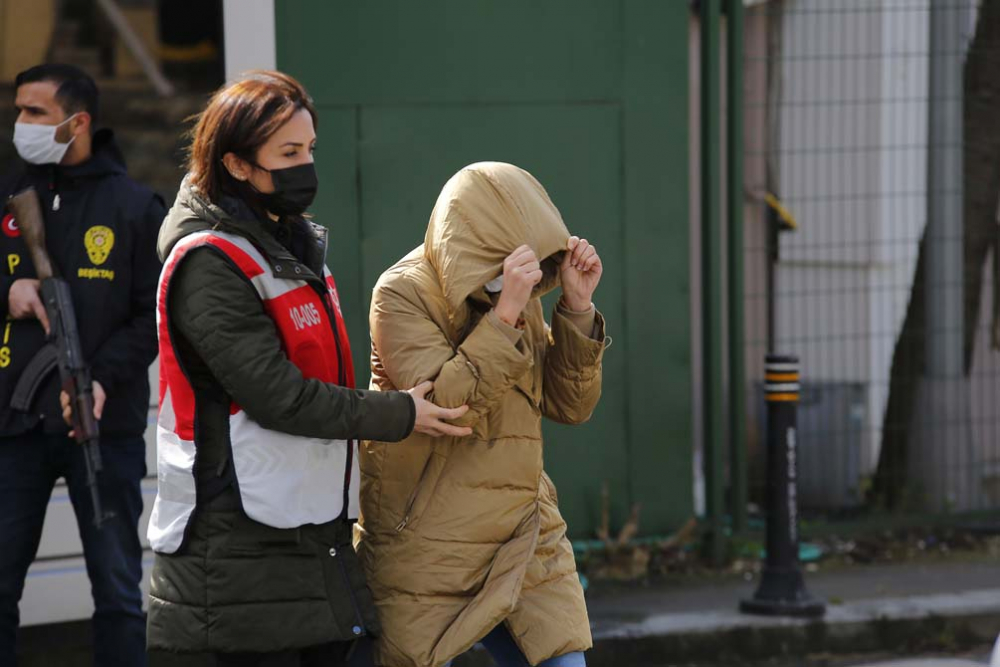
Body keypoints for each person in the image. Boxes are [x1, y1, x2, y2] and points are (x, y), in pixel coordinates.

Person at [144, 71, 471, 667]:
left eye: (310, 149)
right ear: (238, 165)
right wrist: (400, 414)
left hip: (301, 533)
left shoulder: (285, 246)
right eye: (289, 153)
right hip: (235, 540)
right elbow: (279, 397)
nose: (306, 166)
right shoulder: (209, 262)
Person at [357, 162, 606, 667]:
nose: (527, 275)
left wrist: (577, 307)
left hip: (521, 529)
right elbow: (448, 409)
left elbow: (570, 407)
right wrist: (504, 315)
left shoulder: (521, 294)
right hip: (427, 539)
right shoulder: (400, 293)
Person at [0, 64, 164, 666]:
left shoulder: (136, 207)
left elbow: (153, 316)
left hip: (104, 427)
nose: (22, 123)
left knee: (119, 592)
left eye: (36, 113)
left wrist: (97, 380)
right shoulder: (7, 199)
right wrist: (8, 290)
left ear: (79, 122)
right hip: (14, 429)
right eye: (19, 110)